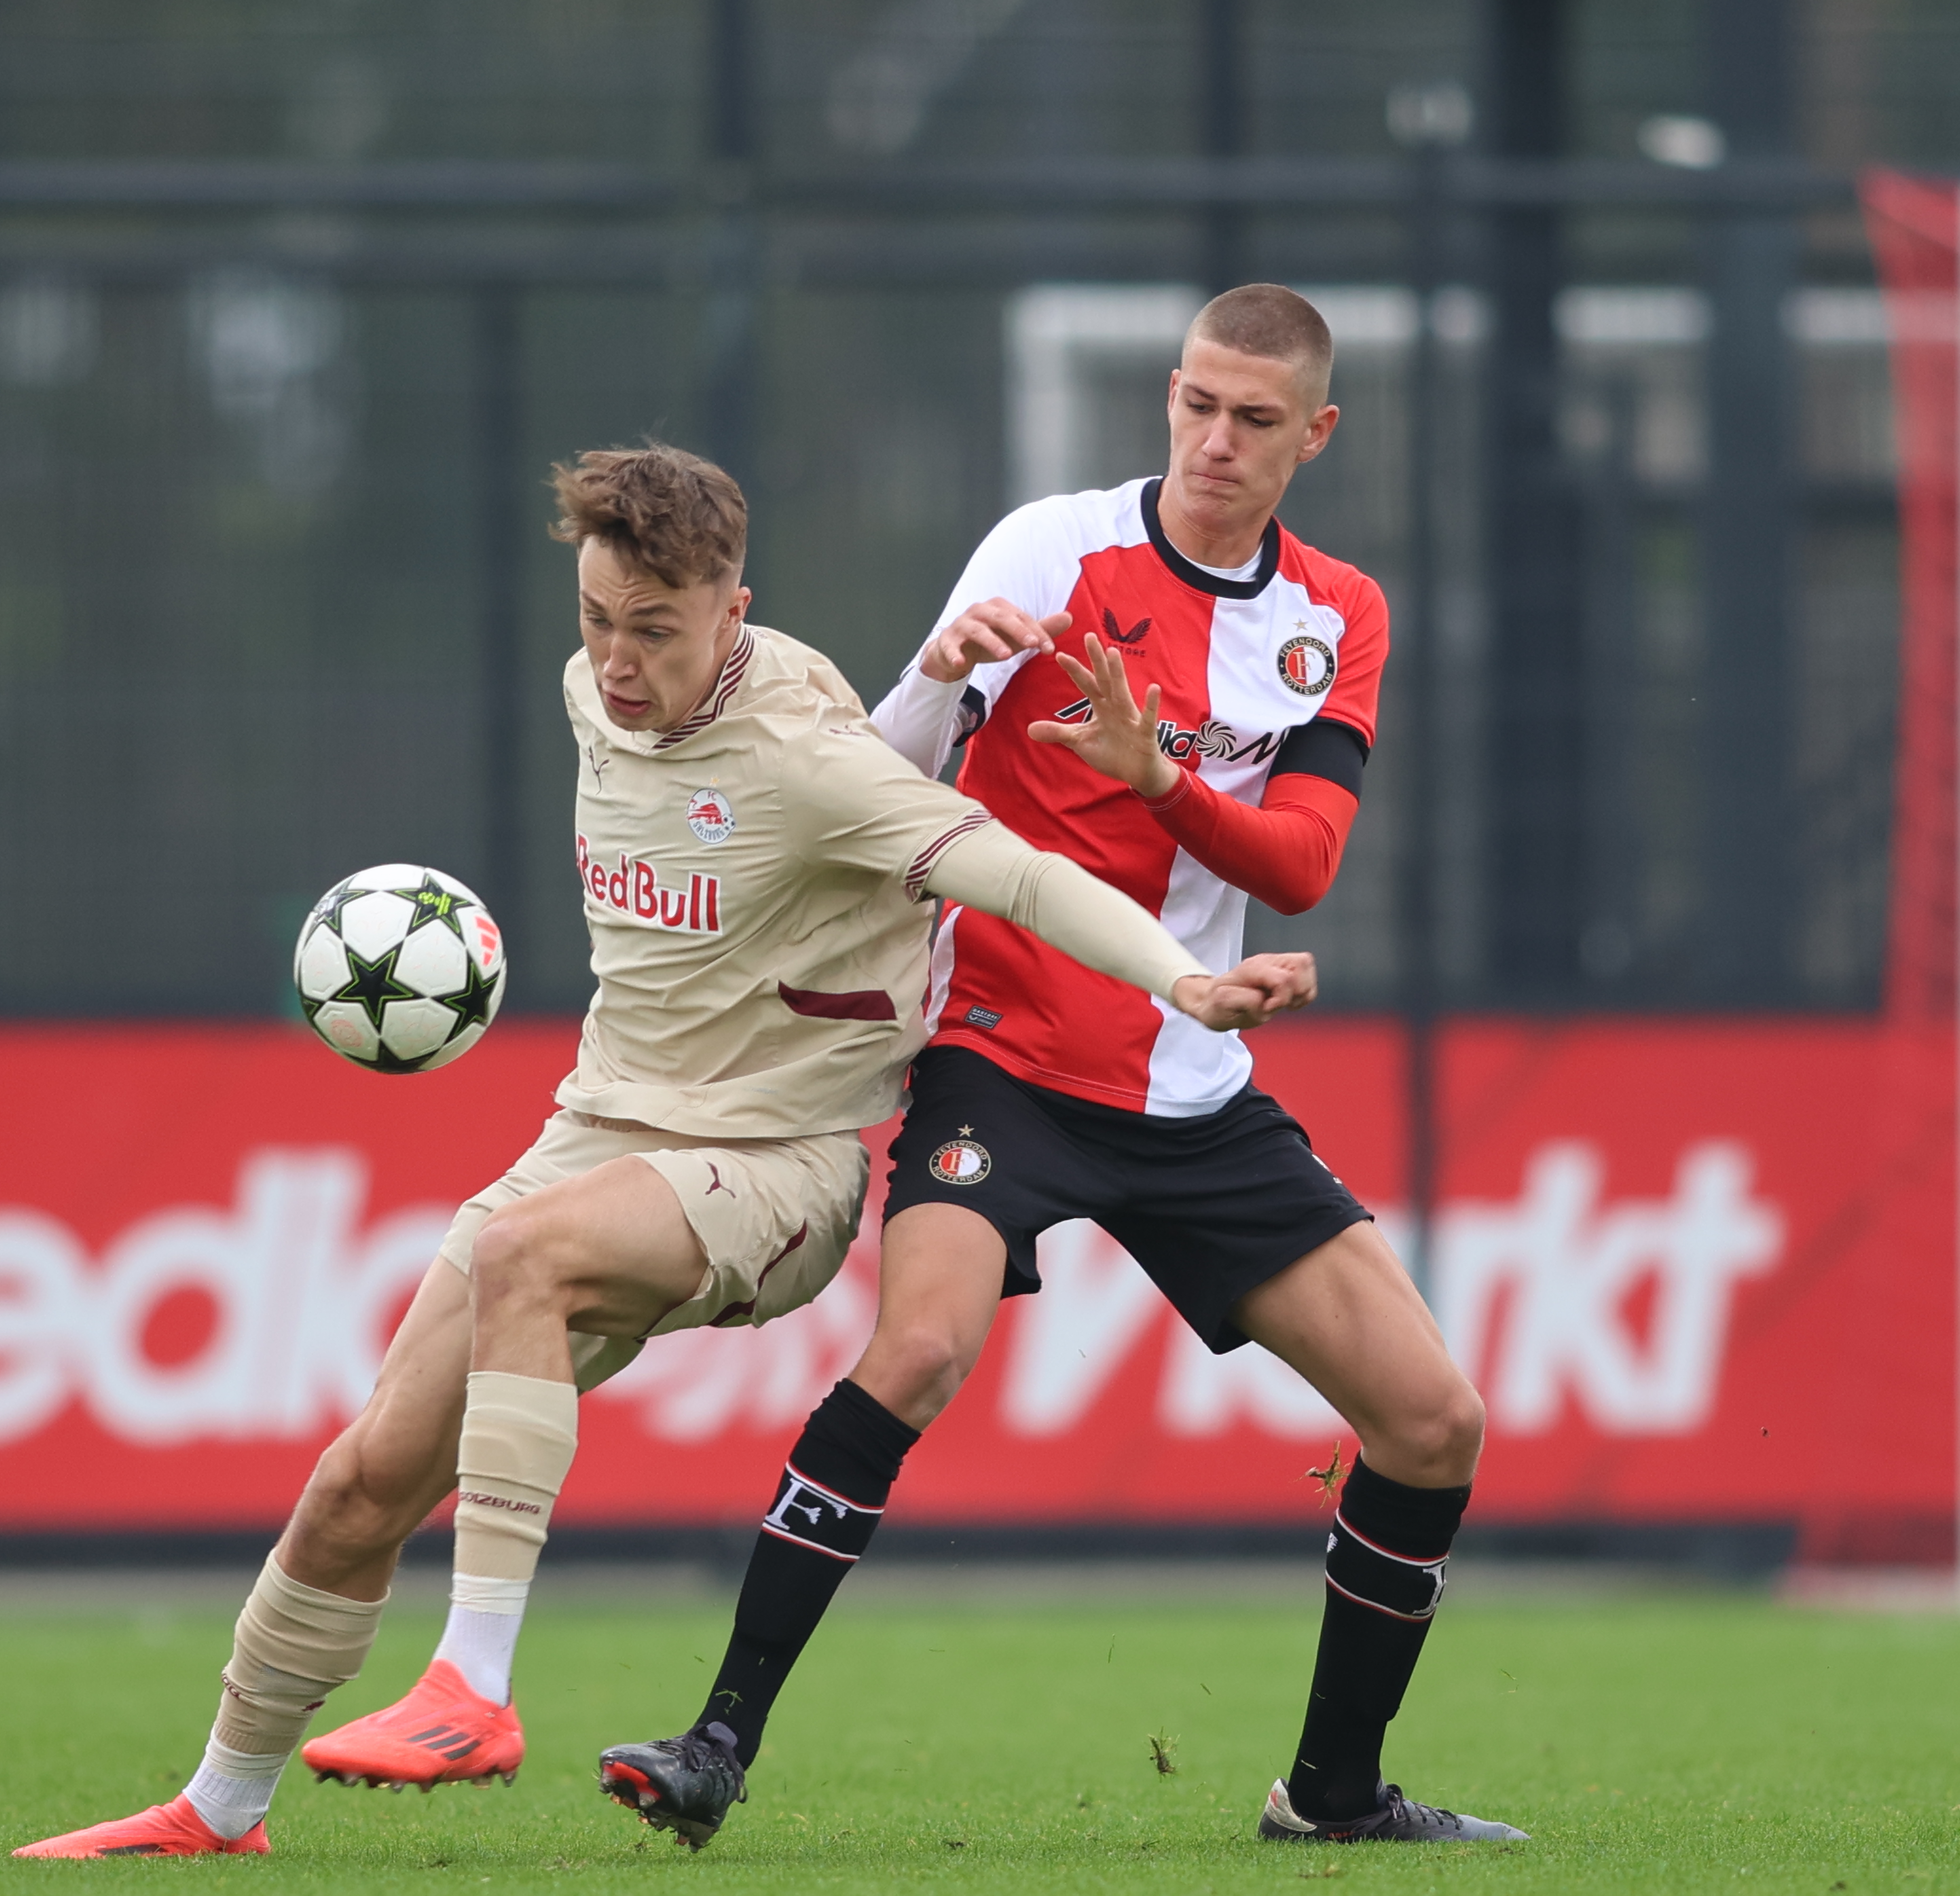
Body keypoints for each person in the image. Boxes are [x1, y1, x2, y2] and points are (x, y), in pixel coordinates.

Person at [11, 443, 1314, 1859]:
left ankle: (475, 1684)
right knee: (360, 1483)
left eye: (656, 631)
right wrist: (932, 679)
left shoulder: (806, 756)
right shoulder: (597, 695)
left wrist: (1179, 982)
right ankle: (219, 1809)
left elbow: (1016, 870)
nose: (619, 662)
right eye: (596, 620)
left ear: (732, 610)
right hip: (599, 1126)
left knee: (527, 1256)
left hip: (778, 1164)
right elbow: (829, 750)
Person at [599, 286, 1520, 1850]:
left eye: (1254, 419)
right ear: (1168, 396)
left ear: (1317, 436)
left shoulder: (1336, 617)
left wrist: (1156, 775)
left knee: (1435, 1423)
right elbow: (876, 780)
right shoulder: (1049, 550)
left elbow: (1300, 866)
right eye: (1196, 406)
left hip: (1192, 1080)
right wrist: (949, 678)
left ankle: (1334, 1796)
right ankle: (716, 1745)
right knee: (921, 1351)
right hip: (1004, 1057)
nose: (1215, 443)